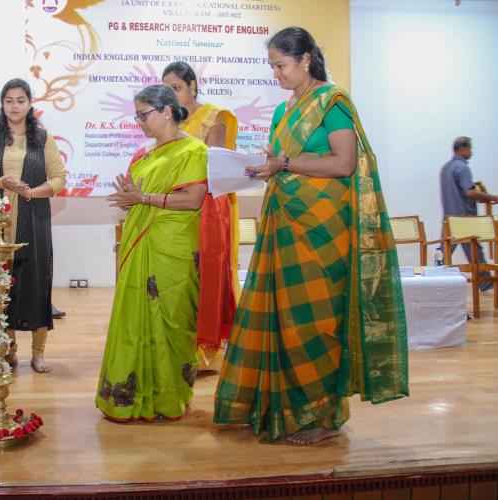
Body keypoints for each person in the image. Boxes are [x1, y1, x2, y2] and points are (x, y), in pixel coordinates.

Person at [214, 26, 408, 445]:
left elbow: (343, 164)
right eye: (272, 67)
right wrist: (265, 167)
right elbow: (282, 160)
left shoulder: (333, 102)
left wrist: (284, 164)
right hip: (285, 221)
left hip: (322, 228)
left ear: (305, 59)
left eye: (281, 65)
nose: (276, 74)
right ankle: (278, 406)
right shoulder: (283, 111)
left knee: (314, 321)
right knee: (283, 318)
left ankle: (320, 417)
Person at [96, 84, 208, 421]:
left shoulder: (194, 151)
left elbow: (193, 200)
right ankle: (130, 397)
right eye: (137, 116)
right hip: (140, 243)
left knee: (173, 321)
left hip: (174, 248)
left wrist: (142, 198)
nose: (140, 122)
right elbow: (139, 199)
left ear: (167, 111)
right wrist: (131, 198)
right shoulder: (143, 155)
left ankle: (168, 397)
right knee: (134, 322)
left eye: (144, 115)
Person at [0, 78, 66, 374]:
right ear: (2, 104)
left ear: (30, 104)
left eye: (20, 100)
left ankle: (38, 353)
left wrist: (31, 192)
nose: (14, 106)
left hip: (33, 223)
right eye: (9, 100)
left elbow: (59, 179)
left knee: (35, 287)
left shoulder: (43, 139)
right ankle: (7, 351)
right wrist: (0, 182)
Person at [162, 61, 239, 374]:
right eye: (167, 91)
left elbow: (213, 165)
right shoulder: (170, 122)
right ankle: (179, 347)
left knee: (206, 274)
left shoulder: (214, 117)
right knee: (180, 278)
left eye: (177, 88)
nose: (172, 95)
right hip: (178, 206)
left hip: (208, 206)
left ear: (193, 85)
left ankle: (207, 353)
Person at [439, 136, 498, 291]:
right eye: (470, 148)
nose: (471, 152)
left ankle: (434, 280)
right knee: (474, 249)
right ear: (463, 149)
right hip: (464, 218)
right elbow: (470, 192)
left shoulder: (445, 168)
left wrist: (483, 197)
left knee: (445, 251)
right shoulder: (462, 167)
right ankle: (486, 282)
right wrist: (495, 198)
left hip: (449, 218)